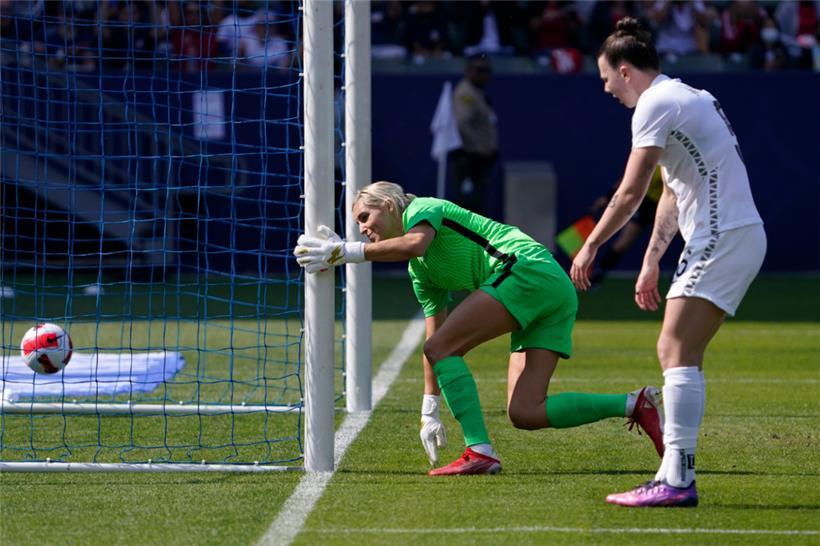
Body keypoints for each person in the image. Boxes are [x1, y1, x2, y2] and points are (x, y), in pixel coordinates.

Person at [294, 181, 663, 476]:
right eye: (358, 224)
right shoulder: (419, 272)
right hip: (551, 289)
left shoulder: (421, 209)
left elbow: (415, 244)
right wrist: (429, 410)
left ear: (388, 205)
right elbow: (433, 336)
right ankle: (635, 403)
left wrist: (347, 252)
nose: (362, 228)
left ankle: (479, 450)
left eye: (365, 216)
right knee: (525, 411)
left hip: (526, 270)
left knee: (443, 349)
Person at [571, 17, 766, 507]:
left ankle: (677, 481)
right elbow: (672, 193)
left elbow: (630, 192)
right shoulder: (684, 97)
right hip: (730, 235)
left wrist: (591, 244)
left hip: (724, 236)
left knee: (674, 348)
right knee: (680, 352)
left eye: (607, 79)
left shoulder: (654, 104)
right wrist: (651, 260)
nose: (606, 89)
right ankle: (674, 472)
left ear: (625, 70)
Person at [588, 168, 664, 286]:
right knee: (623, 243)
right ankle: (599, 275)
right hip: (646, 204)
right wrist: (608, 198)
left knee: (688, 238)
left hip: (668, 206)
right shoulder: (651, 156)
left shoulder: (678, 160)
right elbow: (627, 180)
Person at [449, 54, 498, 218]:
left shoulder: (477, 93)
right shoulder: (466, 93)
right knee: (469, 206)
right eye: (479, 70)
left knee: (477, 204)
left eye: (487, 70)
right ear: (469, 71)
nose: (484, 75)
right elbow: (462, 123)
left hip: (479, 160)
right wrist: (480, 148)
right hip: (470, 159)